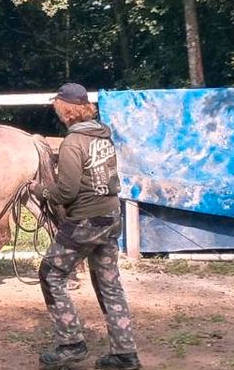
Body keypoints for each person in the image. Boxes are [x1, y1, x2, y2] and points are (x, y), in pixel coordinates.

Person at [29, 83, 141, 370]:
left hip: (85, 220)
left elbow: (65, 192)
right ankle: (124, 352)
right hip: (110, 216)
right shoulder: (103, 136)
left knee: (51, 273)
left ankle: (71, 344)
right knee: (108, 282)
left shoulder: (73, 143)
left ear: (66, 110)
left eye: (58, 107)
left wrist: (39, 190)